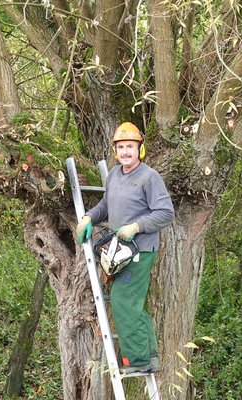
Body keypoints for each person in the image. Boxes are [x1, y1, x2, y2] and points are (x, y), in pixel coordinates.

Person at [75, 121, 175, 374]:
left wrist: (136, 227)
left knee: (123, 300)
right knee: (130, 302)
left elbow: (166, 213)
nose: (125, 152)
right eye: (120, 147)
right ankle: (148, 356)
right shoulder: (114, 175)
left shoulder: (149, 177)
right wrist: (89, 217)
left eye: (130, 146)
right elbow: (106, 205)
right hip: (119, 251)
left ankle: (138, 361)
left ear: (139, 148)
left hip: (140, 250)